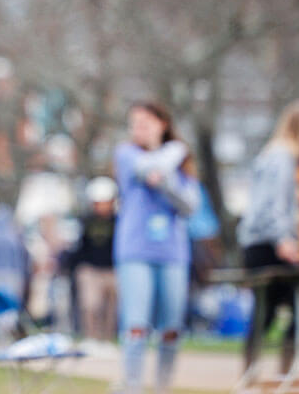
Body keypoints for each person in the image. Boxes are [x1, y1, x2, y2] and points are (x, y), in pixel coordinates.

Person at [114, 102, 199, 394]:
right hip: (136, 251)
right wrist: (173, 153)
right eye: (134, 123)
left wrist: (167, 175)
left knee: (172, 327)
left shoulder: (182, 167)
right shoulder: (126, 154)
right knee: (136, 324)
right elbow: (150, 169)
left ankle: (163, 388)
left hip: (172, 253)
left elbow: (190, 204)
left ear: (162, 124)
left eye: (146, 122)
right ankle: (133, 387)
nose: (139, 128)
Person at [237, 100, 299, 374]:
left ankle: (261, 375)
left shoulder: (272, 155)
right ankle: (280, 374)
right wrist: (283, 241)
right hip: (269, 243)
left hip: (258, 241)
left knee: (269, 309)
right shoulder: (282, 157)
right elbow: (274, 205)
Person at [70, 177, 117, 342]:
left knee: (111, 308)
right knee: (90, 305)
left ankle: (107, 339)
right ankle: (91, 337)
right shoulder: (84, 221)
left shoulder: (120, 221)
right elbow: (76, 247)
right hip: (90, 269)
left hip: (113, 269)